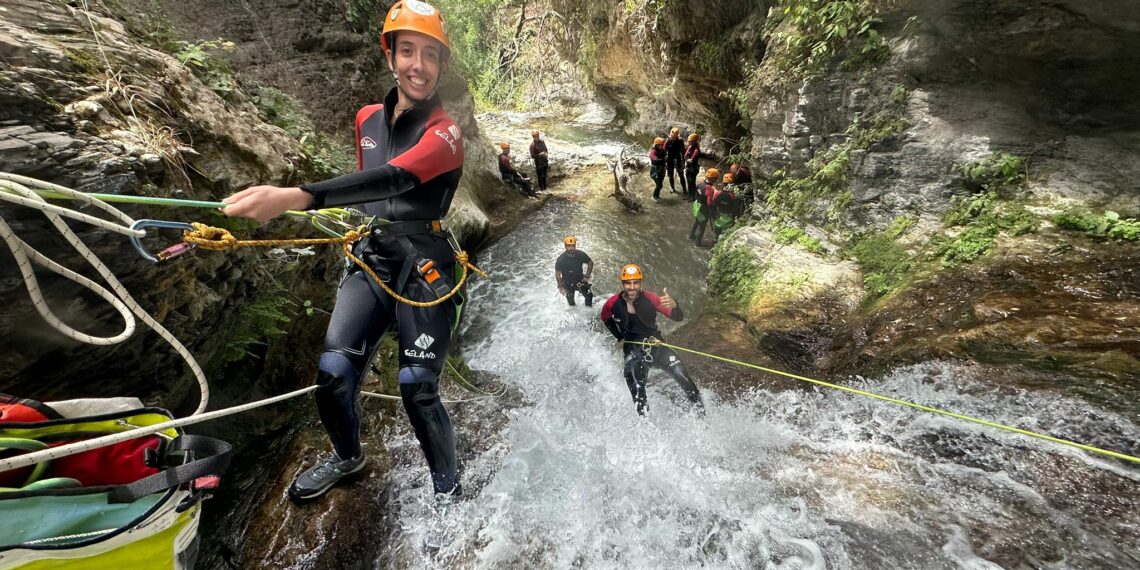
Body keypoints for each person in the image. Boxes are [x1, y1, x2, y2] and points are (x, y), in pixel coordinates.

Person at [220, 0, 464, 501]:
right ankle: (347, 457)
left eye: (431, 56)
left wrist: (297, 196)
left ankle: (448, 493)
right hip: (374, 251)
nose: (419, 66)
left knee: (417, 386)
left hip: (427, 260)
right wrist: (355, 218)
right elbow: (372, 190)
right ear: (391, 55)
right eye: (408, 51)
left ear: (441, 65)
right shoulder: (366, 119)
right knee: (332, 374)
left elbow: (395, 177)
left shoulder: (447, 133)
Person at [600, 264, 702, 415]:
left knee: (687, 382)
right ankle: (647, 432)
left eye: (636, 283)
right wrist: (620, 337)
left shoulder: (651, 299)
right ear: (623, 284)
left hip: (656, 345)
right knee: (638, 393)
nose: (632, 287)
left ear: (641, 283)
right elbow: (606, 319)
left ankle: (703, 420)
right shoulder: (612, 304)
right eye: (628, 283)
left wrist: (675, 305)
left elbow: (677, 317)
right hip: (633, 350)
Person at [554, 235, 594, 307]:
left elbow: (590, 263)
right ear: (565, 246)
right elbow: (557, 274)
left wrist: (587, 276)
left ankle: (588, 311)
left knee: (589, 296)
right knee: (571, 301)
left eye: (573, 246)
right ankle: (574, 313)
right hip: (567, 283)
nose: (571, 248)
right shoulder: (561, 259)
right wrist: (560, 287)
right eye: (569, 246)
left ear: (575, 246)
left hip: (580, 280)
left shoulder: (580, 254)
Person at [689, 168, 719, 246]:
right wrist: (712, 213)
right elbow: (709, 203)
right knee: (702, 226)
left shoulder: (700, 184)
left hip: (697, 205)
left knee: (697, 221)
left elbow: (696, 194)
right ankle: (698, 243)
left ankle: (691, 235)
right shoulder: (709, 188)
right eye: (716, 178)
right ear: (713, 179)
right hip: (704, 209)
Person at [710, 172, 739, 243]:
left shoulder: (717, 194)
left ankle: (715, 241)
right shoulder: (733, 196)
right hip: (729, 216)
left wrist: (712, 215)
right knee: (725, 233)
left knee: (717, 230)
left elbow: (713, 204)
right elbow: (736, 207)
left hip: (719, 215)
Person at [664, 127, 686, 196]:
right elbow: (664, 150)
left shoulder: (680, 140)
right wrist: (664, 160)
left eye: (674, 137)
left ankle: (684, 189)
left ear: (677, 136)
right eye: (672, 137)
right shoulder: (668, 140)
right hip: (670, 159)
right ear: (670, 135)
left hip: (678, 158)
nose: (673, 138)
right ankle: (672, 187)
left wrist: (683, 161)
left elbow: (683, 151)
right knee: (670, 175)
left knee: (681, 175)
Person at [683, 133, 701, 202]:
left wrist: (688, 159)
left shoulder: (697, 150)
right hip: (689, 168)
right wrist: (688, 159)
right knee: (688, 181)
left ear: (694, 141)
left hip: (693, 168)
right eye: (689, 142)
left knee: (692, 182)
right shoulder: (690, 147)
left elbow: (691, 160)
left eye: (690, 142)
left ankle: (693, 197)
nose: (689, 143)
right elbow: (685, 156)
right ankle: (690, 195)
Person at [648, 137, 666, 202]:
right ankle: (654, 196)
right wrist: (664, 160)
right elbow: (655, 160)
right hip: (654, 171)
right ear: (656, 145)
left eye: (662, 145)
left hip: (661, 170)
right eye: (659, 145)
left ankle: (657, 196)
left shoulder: (663, 150)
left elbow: (665, 157)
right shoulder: (652, 152)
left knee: (660, 184)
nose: (661, 146)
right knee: (659, 184)